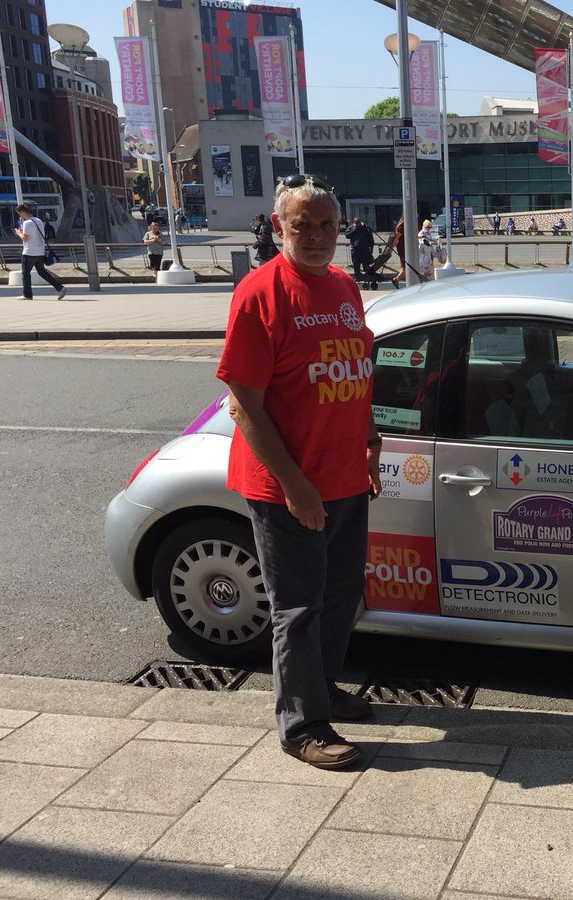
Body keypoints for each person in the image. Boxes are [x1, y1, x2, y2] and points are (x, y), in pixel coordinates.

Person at [216, 174, 379, 771]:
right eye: (301, 225)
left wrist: (369, 440)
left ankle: (324, 686)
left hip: (344, 476)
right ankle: (302, 726)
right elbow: (244, 406)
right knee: (298, 606)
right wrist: (294, 485)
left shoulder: (342, 286)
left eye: (326, 225)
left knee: (341, 594)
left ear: (341, 229)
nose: (315, 236)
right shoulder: (260, 294)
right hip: (289, 486)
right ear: (278, 226)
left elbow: (356, 366)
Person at [14, 205, 66, 300]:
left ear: (22, 212)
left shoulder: (27, 223)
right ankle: (60, 288)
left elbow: (25, 238)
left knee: (25, 273)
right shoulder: (38, 221)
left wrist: (19, 233)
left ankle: (27, 295)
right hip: (40, 252)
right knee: (42, 272)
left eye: (19, 214)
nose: (20, 217)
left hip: (29, 252)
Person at [345, 217, 375, 282]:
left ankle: (367, 277)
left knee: (367, 265)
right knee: (356, 264)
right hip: (355, 250)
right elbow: (347, 235)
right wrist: (354, 230)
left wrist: (371, 248)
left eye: (359, 223)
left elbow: (371, 239)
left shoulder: (366, 228)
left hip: (365, 250)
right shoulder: (351, 228)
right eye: (356, 224)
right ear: (354, 223)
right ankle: (357, 278)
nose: (358, 225)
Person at [390, 216, 406, 286]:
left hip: (404, 247)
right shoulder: (401, 227)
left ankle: (397, 279)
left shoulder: (403, 226)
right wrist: (391, 249)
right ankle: (396, 279)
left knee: (405, 266)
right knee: (405, 266)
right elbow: (396, 239)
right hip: (403, 247)